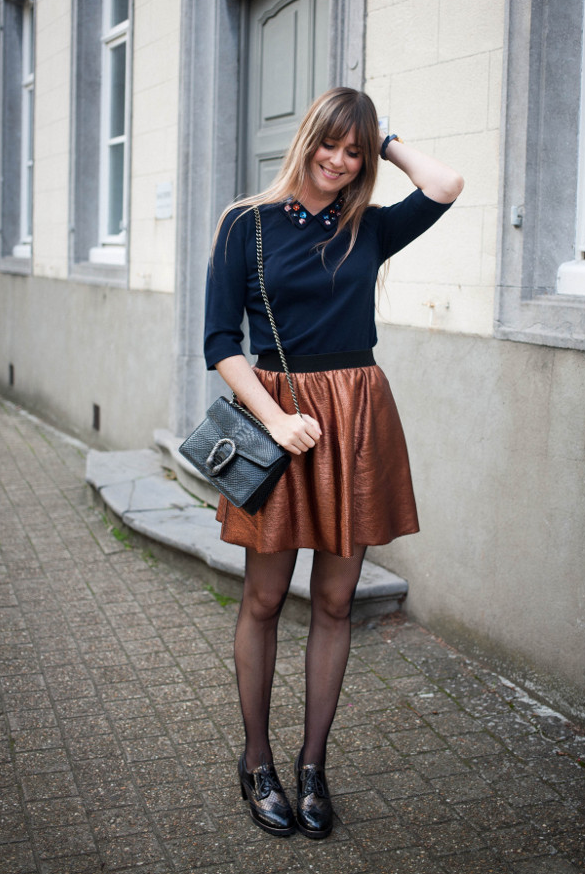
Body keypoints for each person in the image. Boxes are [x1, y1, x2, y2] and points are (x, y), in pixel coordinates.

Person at [203, 87, 464, 838]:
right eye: (332, 145)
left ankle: (314, 763)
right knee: (262, 599)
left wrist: (385, 139)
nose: (339, 162)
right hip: (280, 420)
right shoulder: (246, 225)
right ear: (308, 138)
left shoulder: (370, 228)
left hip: (357, 421)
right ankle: (257, 759)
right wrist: (276, 417)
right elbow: (222, 340)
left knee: (337, 601)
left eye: (355, 153)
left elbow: (445, 186)